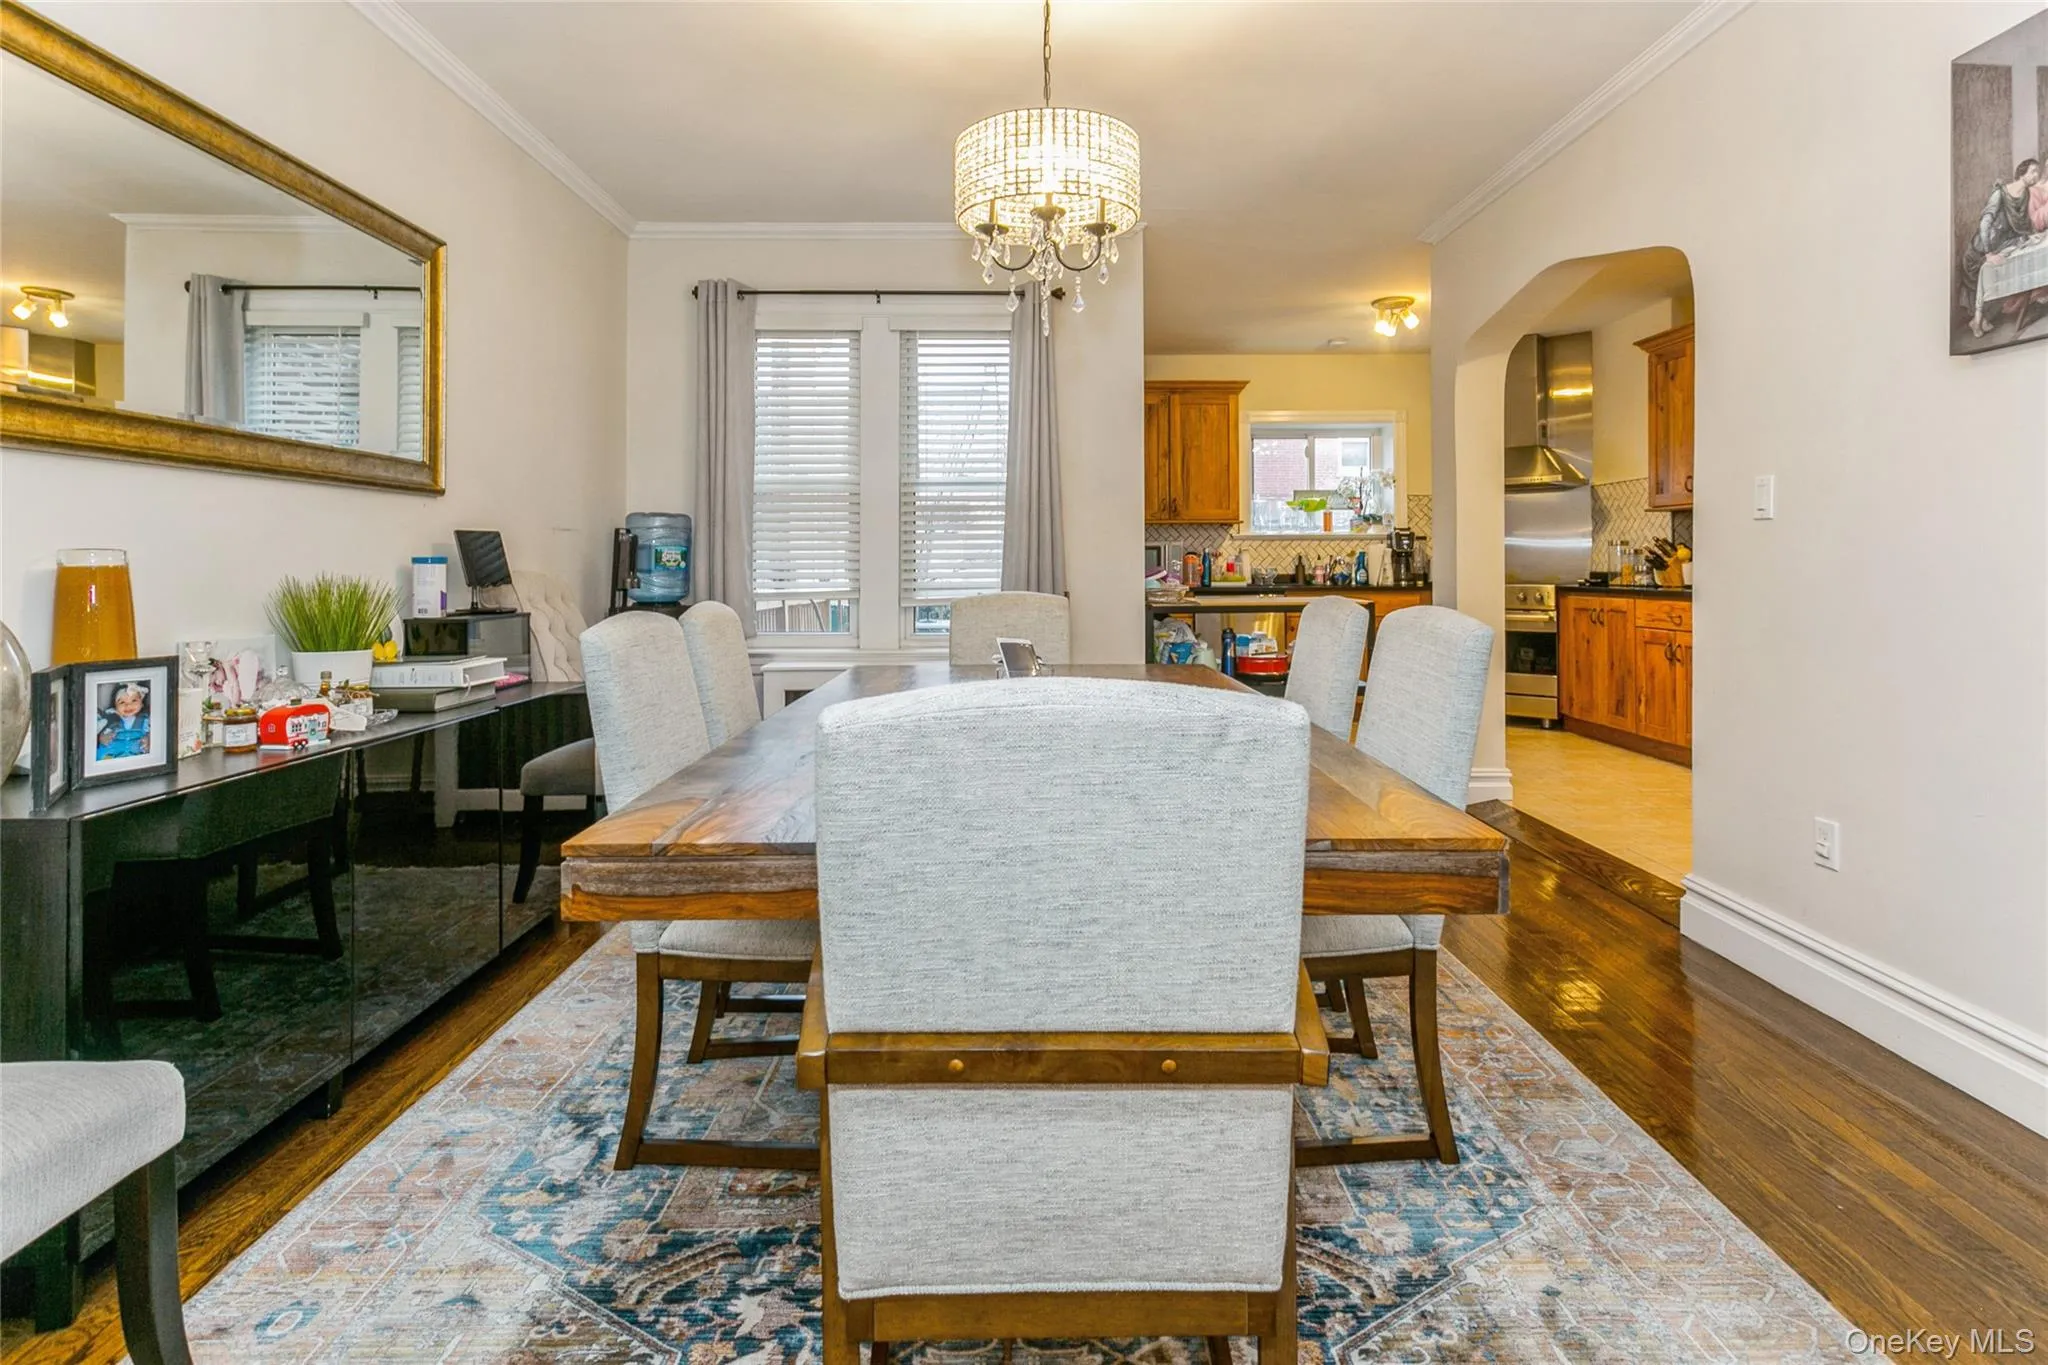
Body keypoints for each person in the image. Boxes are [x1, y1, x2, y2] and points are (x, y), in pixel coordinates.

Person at [1961, 158, 2044, 339]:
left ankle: (1980, 319)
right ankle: (1977, 319)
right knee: (1990, 276)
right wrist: (1988, 253)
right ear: (2022, 173)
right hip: (1983, 248)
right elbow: (1985, 222)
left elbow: (2022, 222)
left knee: (2007, 272)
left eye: (2038, 171)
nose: (2036, 175)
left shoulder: (2026, 195)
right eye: (2033, 171)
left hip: (2005, 243)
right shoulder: (2000, 193)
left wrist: (2030, 235)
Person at [96, 682, 152, 760]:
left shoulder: (147, 719)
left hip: (137, 758)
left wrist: (149, 738)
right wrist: (100, 738)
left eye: (134, 700)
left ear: (142, 704)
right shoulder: (108, 719)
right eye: (122, 702)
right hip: (112, 757)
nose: (128, 705)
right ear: (115, 706)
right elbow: (92, 735)